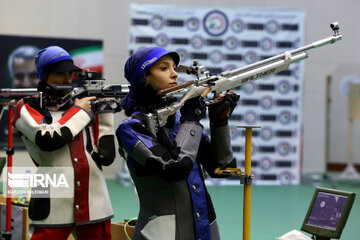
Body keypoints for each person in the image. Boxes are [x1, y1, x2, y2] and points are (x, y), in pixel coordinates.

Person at [116, 47, 239, 240]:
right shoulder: (131, 128)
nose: (174, 73)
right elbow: (174, 168)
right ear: (144, 77)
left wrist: (219, 122)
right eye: (164, 68)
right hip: (163, 233)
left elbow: (223, 168)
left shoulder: (181, 118)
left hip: (206, 225)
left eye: (174, 67)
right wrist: (192, 120)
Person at [12, 46, 115, 240]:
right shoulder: (27, 106)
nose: (67, 79)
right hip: (52, 196)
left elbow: (105, 156)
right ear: (44, 75)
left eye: (70, 73)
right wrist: (80, 112)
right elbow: (48, 139)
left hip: (94, 199)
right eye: (60, 74)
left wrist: (105, 113)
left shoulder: (80, 104)